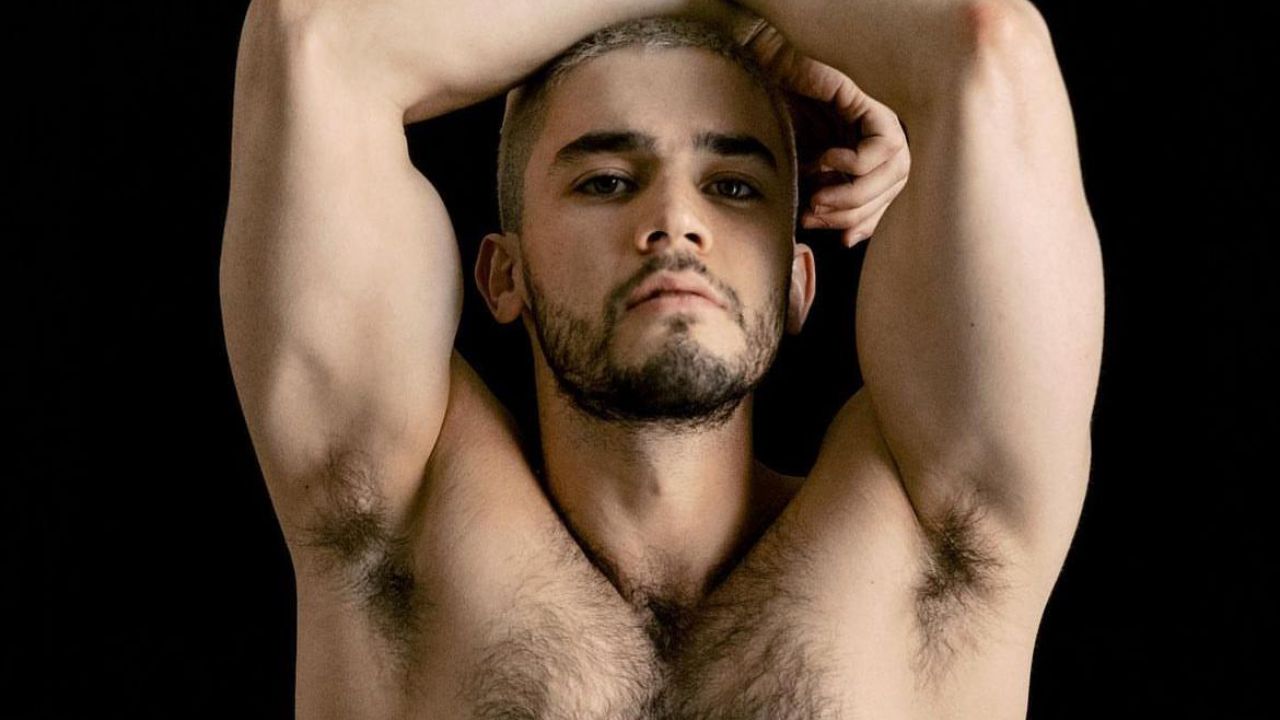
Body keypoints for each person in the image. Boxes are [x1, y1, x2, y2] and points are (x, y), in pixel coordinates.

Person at [220, 0, 1104, 716]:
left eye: (733, 186)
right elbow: (314, 39)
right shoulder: (393, 531)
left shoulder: (937, 543)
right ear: (503, 274)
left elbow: (986, 43)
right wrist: (726, 14)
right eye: (606, 181)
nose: (676, 221)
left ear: (798, 284)